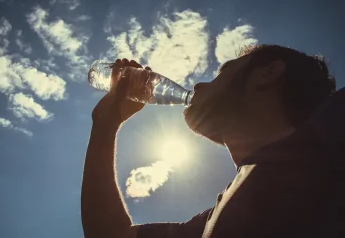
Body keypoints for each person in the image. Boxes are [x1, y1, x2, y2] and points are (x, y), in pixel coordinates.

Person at [81, 44, 344, 238]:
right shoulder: (210, 224)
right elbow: (109, 233)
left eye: (223, 71)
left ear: (269, 72)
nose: (198, 86)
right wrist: (105, 125)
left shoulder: (331, 130)